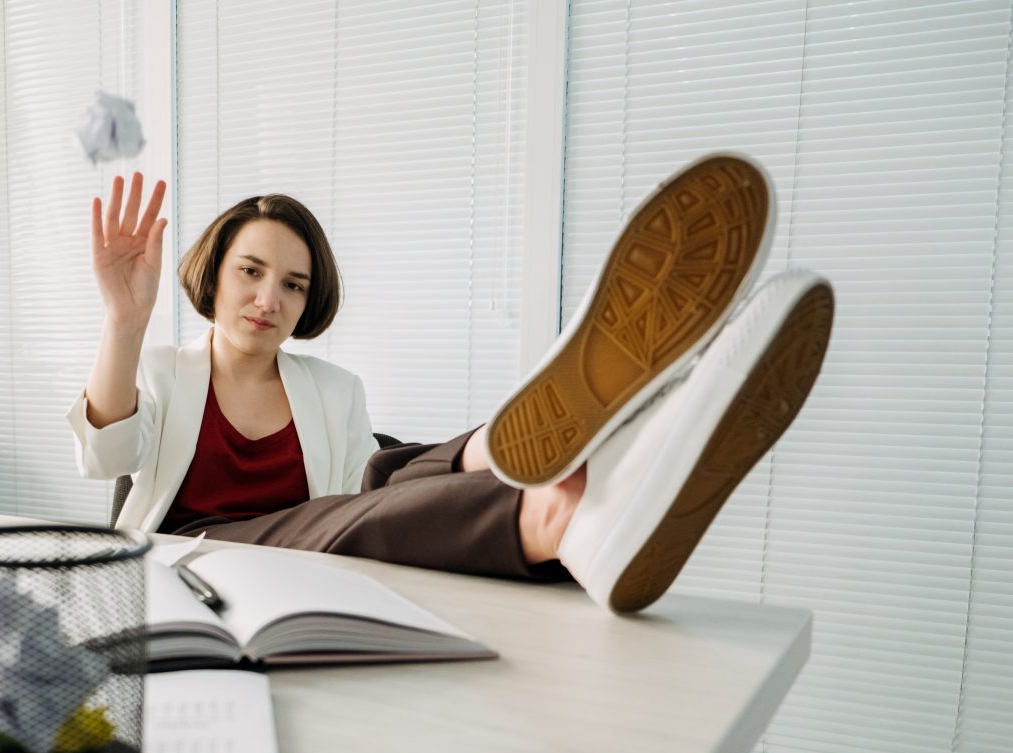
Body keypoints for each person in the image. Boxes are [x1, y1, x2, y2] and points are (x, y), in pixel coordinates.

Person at [68, 155, 834, 613]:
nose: (272, 299)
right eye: (252, 272)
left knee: (396, 471)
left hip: (318, 542)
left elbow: (369, 501)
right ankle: (552, 519)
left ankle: (581, 451)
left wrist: (444, 470)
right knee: (356, 516)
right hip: (197, 561)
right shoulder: (163, 371)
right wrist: (124, 322)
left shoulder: (332, 389)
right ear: (215, 271)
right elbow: (104, 460)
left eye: (295, 286)